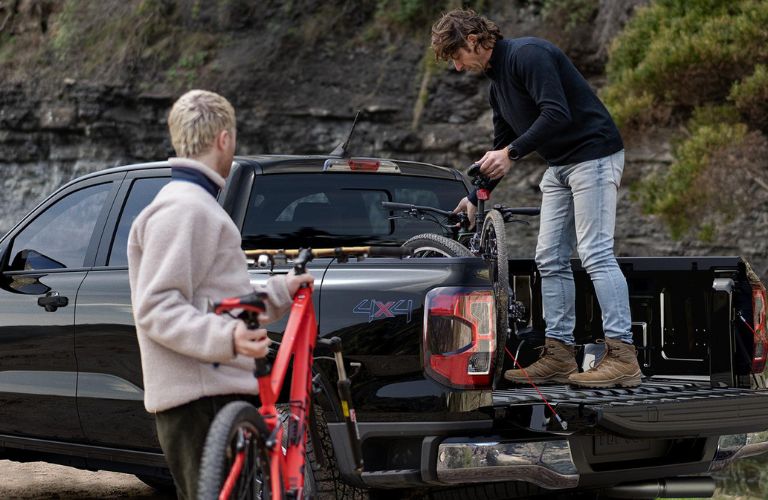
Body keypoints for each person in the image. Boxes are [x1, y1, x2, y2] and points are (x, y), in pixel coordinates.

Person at [431, 9, 642, 388]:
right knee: (549, 257)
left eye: (456, 56)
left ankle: (623, 356)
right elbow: (500, 143)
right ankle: (560, 355)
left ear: (474, 41)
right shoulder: (497, 83)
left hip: (593, 155)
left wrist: (512, 154)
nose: (458, 68)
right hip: (560, 164)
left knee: (595, 252)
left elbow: (556, 114)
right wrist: (475, 195)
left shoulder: (529, 55)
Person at [127, 89, 313, 499]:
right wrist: (227, 339)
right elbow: (156, 307)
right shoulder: (184, 209)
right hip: (200, 398)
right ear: (224, 139)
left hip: (209, 393)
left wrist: (280, 291)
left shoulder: (193, 205)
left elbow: (220, 301)